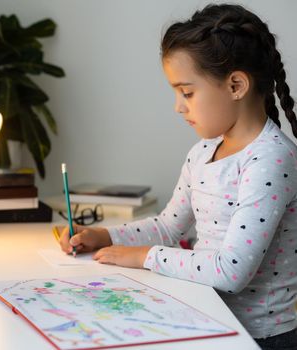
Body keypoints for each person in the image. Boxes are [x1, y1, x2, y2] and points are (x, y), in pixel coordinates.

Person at [59, 4, 297, 349]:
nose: (178, 106)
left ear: (235, 85)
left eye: (187, 93)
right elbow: (168, 227)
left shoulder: (271, 160)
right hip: (211, 319)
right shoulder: (204, 152)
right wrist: (105, 235)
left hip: (261, 338)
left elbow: (231, 271)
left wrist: (145, 256)